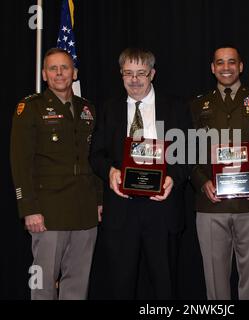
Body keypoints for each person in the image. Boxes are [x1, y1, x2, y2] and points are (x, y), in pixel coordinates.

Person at [89, 47, 190, 299]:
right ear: (121, 75)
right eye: (128, 73)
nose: (134, 80)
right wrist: (110, 172)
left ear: (152, 74)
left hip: (162, 208)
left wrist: (172, 179)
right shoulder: (108, 108)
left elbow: (189, 153)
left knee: (165, 286)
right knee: (120, 286)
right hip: (122, 210)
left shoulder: (175, 107)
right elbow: (95, 155)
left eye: (141, 73)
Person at [190, 46, 249, 300]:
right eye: (220, 62)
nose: (226, 67)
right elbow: (189, 151)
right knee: (215, 283)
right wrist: (202, 183)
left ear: (241, 66)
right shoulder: (198, 105)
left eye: (231, 62)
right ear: (212, 68)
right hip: (211, 205)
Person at [10, 48, 101, 300]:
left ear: (75, 73)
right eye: (53, 68)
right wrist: (28, 208)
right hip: (48, 211)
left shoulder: (87, 109)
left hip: (84, 210)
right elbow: (20, 162)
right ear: (44, 74)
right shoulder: (30, 108)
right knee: (43, 284)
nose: (60, 73)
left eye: (65, 67)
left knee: (77, 284)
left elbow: (91, 158)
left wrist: (99, 200)